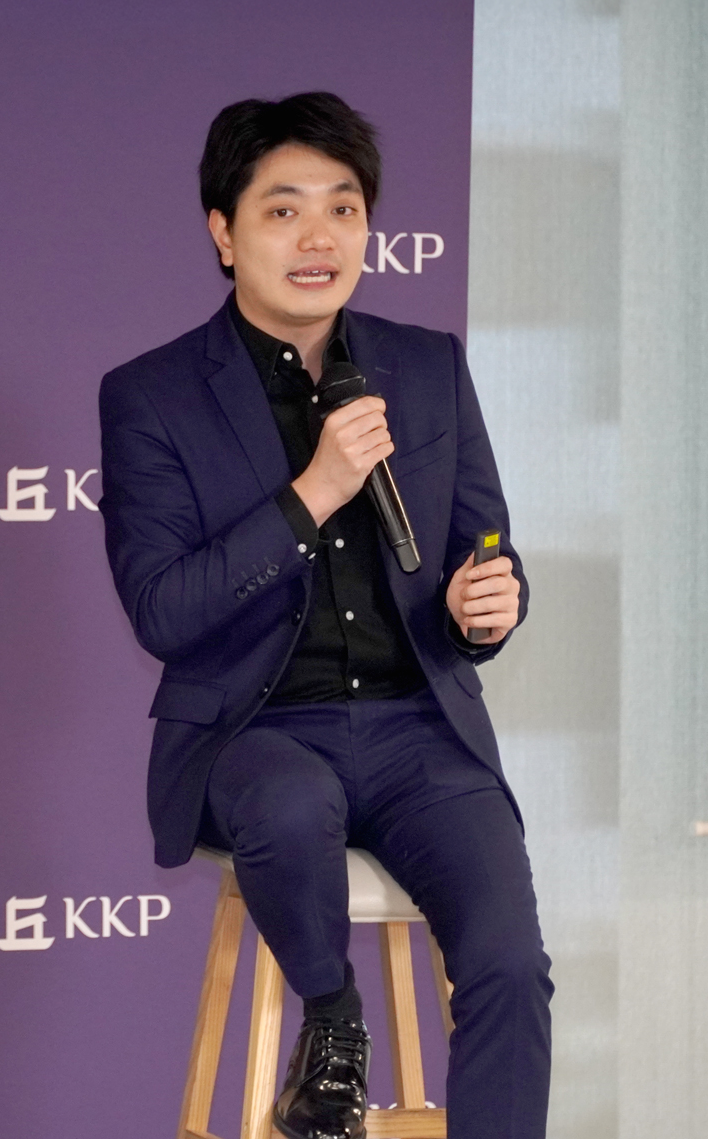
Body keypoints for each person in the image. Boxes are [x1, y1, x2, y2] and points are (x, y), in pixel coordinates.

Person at [98, 94, 550, 1139]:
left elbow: (482, 542)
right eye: (283, 210)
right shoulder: (152, 394)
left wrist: (485, 604)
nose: (319, 238)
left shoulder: (424, 364)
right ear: (223, 233)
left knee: (508, 966)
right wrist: (313, 491)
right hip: (253, 730)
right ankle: (332, 1018)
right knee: (292, 805)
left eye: (342, 210)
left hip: (417, 729)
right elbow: (162, 610)